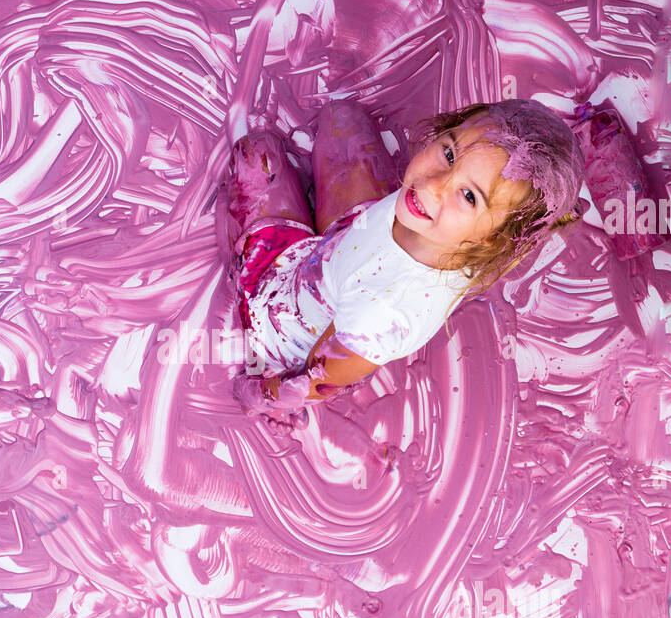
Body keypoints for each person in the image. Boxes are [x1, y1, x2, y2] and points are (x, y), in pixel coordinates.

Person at [225, 97, 585, 420]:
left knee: (254, 153)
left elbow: (314, 383)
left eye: (470, 196)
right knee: (342, 118)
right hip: (350, 238)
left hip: (286, 314)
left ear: (495, 240)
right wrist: (556, 218)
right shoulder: (458, 228)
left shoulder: (384, 312)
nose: (432, 184)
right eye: (448, 154)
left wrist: (259, 395)